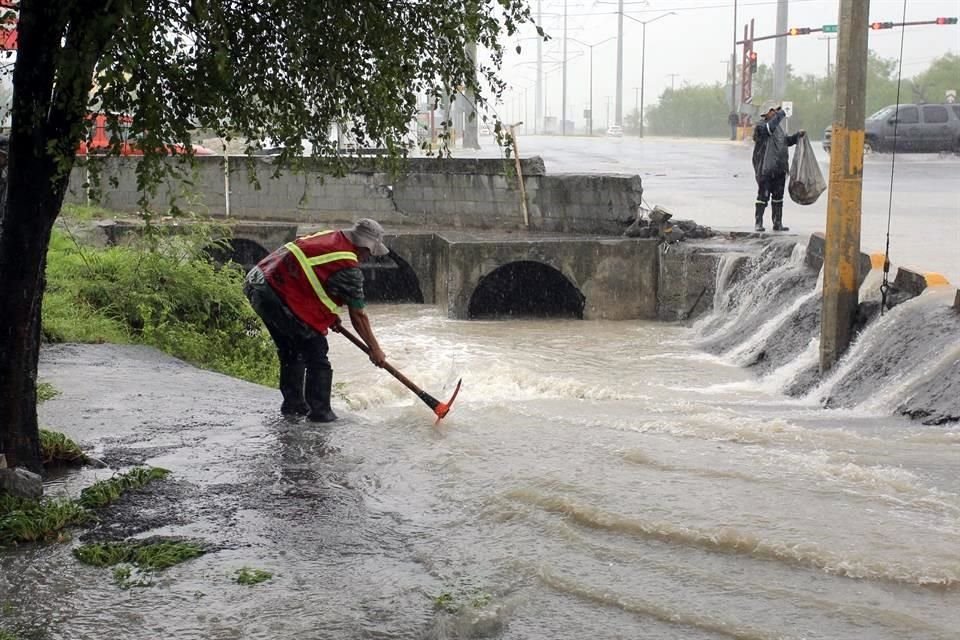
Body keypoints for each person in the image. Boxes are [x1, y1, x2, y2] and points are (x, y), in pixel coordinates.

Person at [243, 218, 390, 422]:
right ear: (364, 246)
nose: (367, 257)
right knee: (317, 353)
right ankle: (321, 413)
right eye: (369, 252)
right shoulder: (348, 265)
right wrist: (374, 348)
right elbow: (358, 315)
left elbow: (309, 277)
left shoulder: (331, 237)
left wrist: (329, 316)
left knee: (291, 350)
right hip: (276, 294)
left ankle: (294, 407)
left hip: (257, 283)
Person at [752, 104, 805, 232]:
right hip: (765, 169)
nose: (776, 112)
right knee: (763, 197)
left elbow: (786, 141)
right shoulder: (761, 127)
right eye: (773, 110)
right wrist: (781, 114)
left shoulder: (778, 129)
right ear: (767, 112)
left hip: (780, 169)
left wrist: (797, 136)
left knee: (778, 197)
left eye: (776, 110)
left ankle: (777, 223)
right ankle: (758, 222)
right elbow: (769, 129)